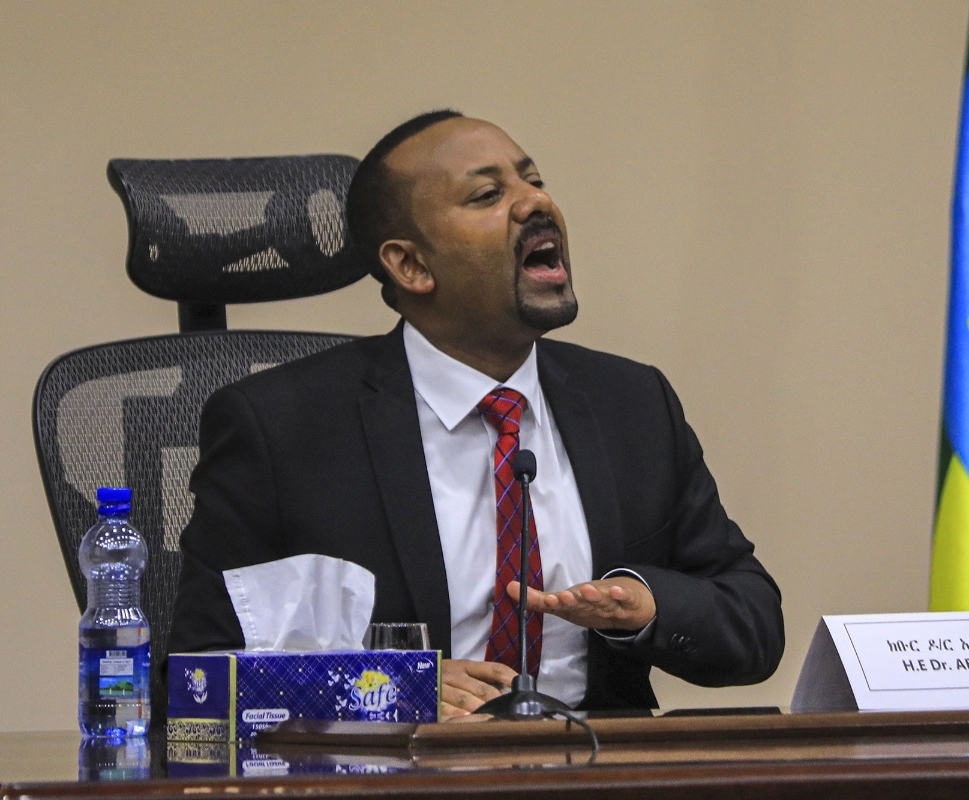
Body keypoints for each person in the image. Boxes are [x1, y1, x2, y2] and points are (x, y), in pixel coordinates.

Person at [169, 110, 785, 718]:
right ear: (410, 265)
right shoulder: (282, 429)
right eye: (489, 194)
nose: (533, 203)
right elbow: (194, 677)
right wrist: (392, 691)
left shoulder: (631, 403)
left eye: (534, 179)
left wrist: (649, 609)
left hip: (598, 772)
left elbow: (753, 620)